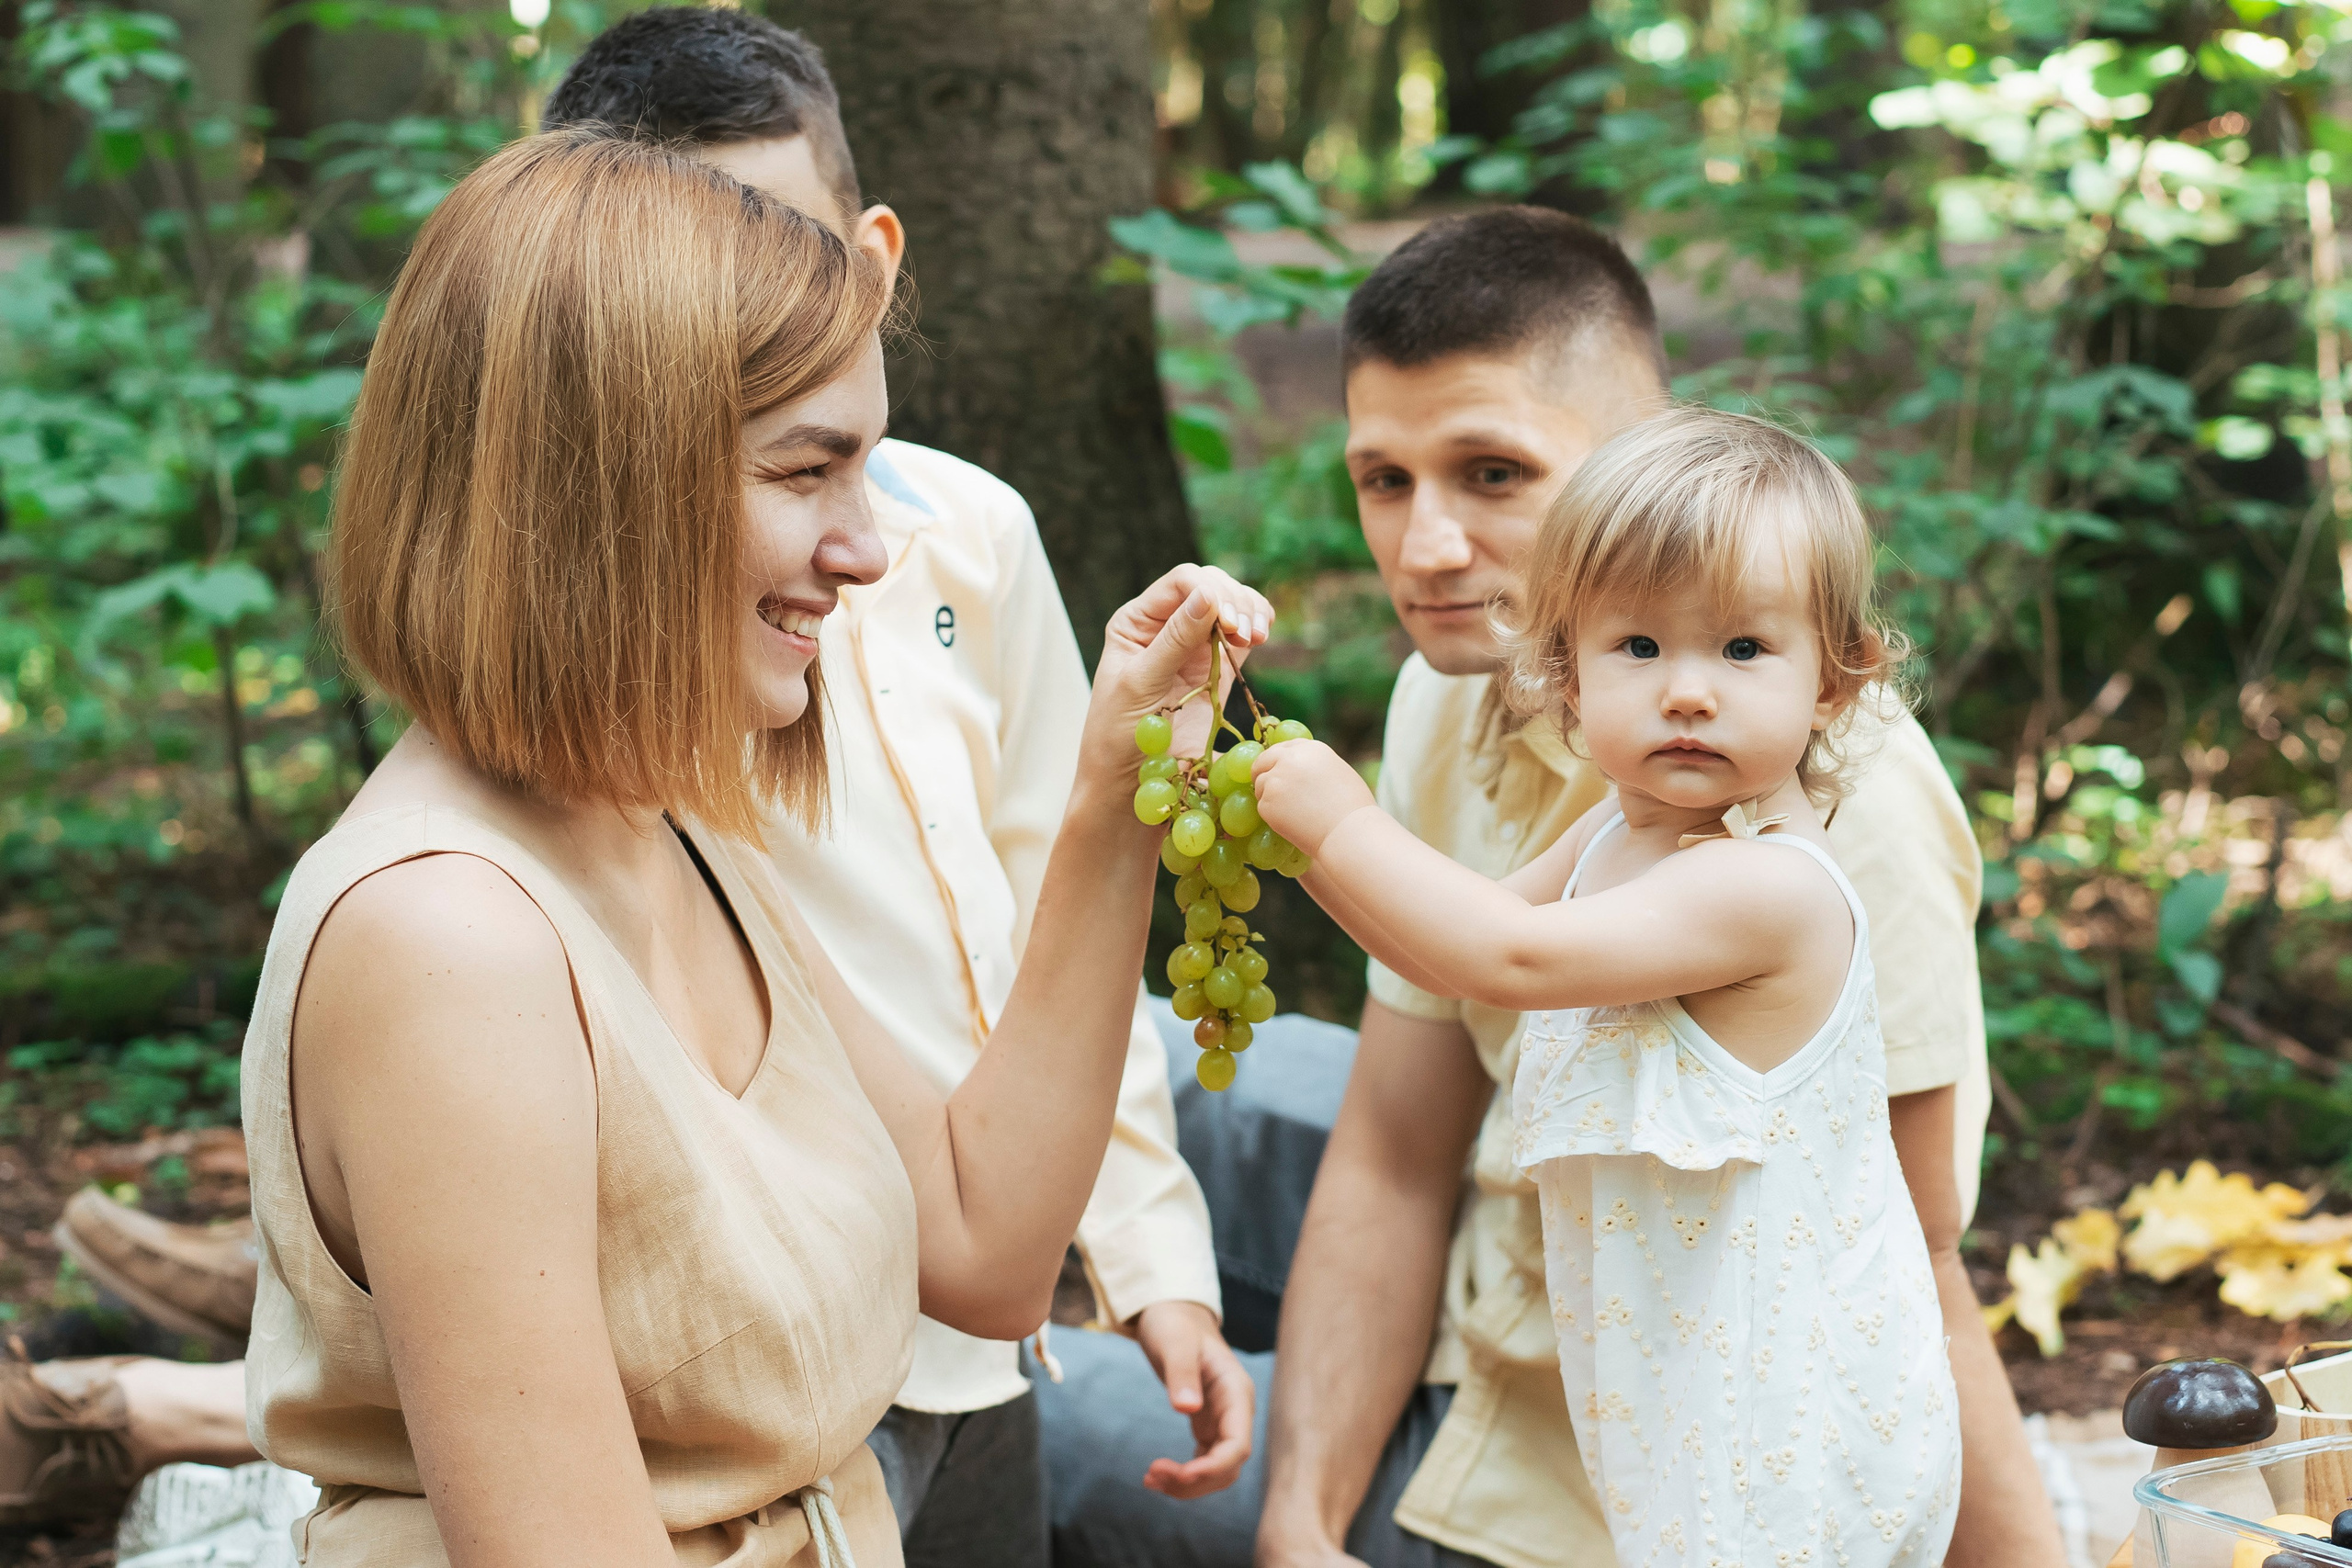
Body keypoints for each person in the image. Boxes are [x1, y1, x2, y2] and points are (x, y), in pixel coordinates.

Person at [0, 11, 1254, 1548]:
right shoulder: (452, 942)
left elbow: (989, 1243)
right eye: (807, 471)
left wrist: (1112, 801)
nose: (869, 550)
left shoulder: (673, 824)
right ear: (605, 485)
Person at [1036, 207, 2062, 1568]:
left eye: (1493, 473)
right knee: (1116, 1056)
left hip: (1671, 1479)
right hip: (1514, 1292)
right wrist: (1297, 1521)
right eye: (1384, 479)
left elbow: (1911, 1251)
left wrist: (1324, 809)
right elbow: (1410, 1085)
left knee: (1029, 1415)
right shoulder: (1473, 706)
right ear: (1571, 673)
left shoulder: (1803, 830)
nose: (1428, 548)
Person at [1250, 405, 1963, 1566]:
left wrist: (1338, 821)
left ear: (1836, 679)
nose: (1687, 692)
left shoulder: (1767, 886)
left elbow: (1507, 957)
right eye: (1637, 646)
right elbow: (1443, 948)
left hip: (1792, 1426)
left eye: (1743, 650)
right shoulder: (1614, 833)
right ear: (1565, 676)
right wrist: (1299, 840)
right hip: (1678, 1400)